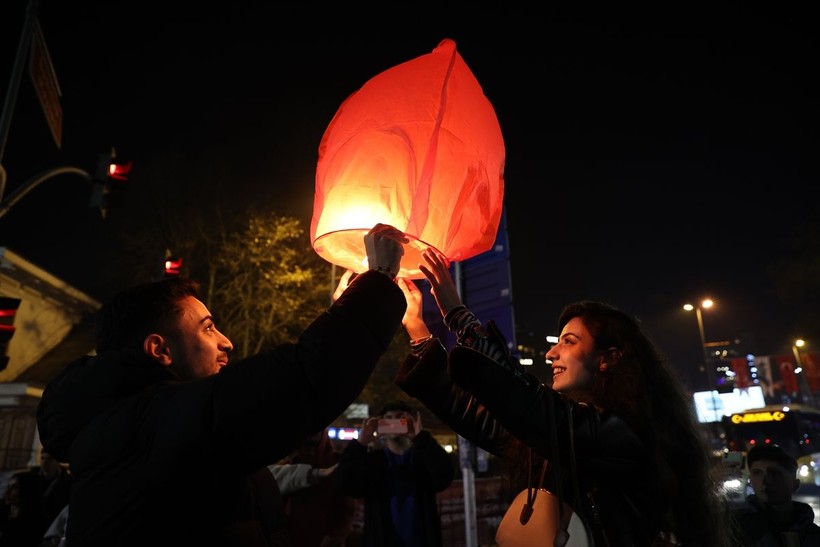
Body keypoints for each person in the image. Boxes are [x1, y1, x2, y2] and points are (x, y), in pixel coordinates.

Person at [35, 223, 409, 547]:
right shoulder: (150, 424)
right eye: (208, 327)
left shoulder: (135, 426)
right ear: (159, 349)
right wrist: (377, 281)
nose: (226, 341)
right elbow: (298, 380)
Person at [392, 248, 733, 546]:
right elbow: (480, 416)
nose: (550, 354)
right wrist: (417, 329)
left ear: (609, 357)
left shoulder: (623, 432)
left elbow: (528, 405)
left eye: (569, 342)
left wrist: (458, 316)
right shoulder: (561, 430)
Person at [336, 400, 454, 547]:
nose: (394, 422)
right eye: (388, 418)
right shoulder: (373, 462)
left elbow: (445, 476)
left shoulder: (422, 459)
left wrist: (421, 438)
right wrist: (360, 443)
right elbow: (347, 484)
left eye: (400, 417)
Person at [267, 427, 355, 547]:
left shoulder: (335, 463)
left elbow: (346, 507)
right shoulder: (286, 464)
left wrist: (335, 535)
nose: (311, 451)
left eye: (314, 445)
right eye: (307, 445)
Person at [731, 444, 820, 546]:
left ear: (795, 484)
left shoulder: (812, 535)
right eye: (757, 473)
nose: (765, 481)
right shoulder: (735, 529)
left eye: (774, 473)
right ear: (750, 480)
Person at [0, 470, 48, 547]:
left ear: (27, 491)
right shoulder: (3, 512)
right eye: (9, 486)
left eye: (15, 487)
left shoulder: (34, 523)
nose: (8, 492)